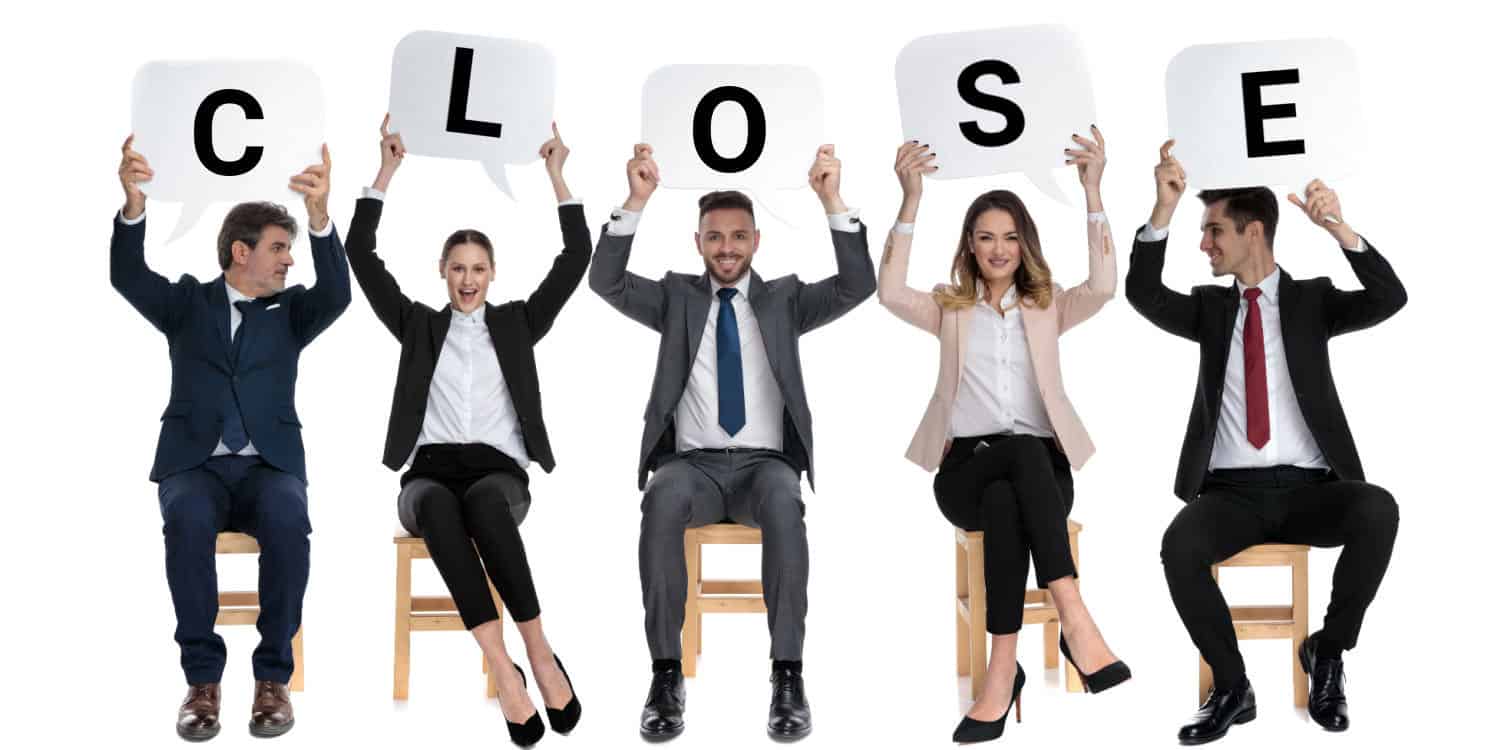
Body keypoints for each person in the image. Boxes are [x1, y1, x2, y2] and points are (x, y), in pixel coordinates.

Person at [589, 142, 875, 742]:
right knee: (660, 501)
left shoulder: (786, 299)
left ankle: (788, 677)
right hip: (689, 467)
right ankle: (665, 674)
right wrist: (636, 201)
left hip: (763, 467)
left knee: (785, 507)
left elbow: (856, 285)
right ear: (698, 243)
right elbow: (606, 282)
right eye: (715, 237)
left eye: (738, 236)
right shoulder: (676, 297)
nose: (726, 248)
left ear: (755, 242)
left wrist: (831, 200)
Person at [1125, 140, 1406, 745]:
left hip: (1310, 492)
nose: (1205, 244)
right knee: (1179, 548)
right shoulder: (1208, 309)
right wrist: (1164, 211)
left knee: (1377, 508)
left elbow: (1390, 299)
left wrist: (1338, 227)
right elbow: (1144, 295)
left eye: (1214, 230)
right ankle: (1232, 685)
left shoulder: (1312, 301)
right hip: (1231, 496)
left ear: (1255, 232)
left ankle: (1327, 651)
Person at [877, 130, 1131, 744]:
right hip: (964, 469)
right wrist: (910, 199)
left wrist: (1093, 189)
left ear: (1025, 245)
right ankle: (1074, 615)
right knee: (1006, 464)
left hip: (1043, 474)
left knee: (1009, 495)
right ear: (970, 244)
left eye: (1011, 237)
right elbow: (887, 290)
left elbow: (1103, 285)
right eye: (987, 237)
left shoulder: (1048, 305)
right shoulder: (948, 307)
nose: (999, 248)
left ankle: (1000, 672)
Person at [343, 117, 588, 747]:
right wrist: (386, 172)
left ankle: (537, 651)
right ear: (443, 273)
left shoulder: (517, 325)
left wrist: (556, 176)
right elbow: (361, 257)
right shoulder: (419, 325)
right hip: (427, 472)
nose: (468, 278)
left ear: (493, 273)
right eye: (457, 268)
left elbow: (575, 260)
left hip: (499, 475)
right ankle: (501, 668)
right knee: (437, 507)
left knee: (480, 502)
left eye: (478, 267)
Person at [110, 136, 350, 741]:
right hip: (196, 465)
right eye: (278, 249)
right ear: (239, 252)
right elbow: (127, 274)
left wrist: (321, 219)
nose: (288, 261)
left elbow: (338, 293)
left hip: (270, 467)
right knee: (186, 517)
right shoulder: (188, 304)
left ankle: (273, 681)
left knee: (291, 518)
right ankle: (202, 682)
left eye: (292, 250)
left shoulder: (294, 312)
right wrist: (134, 204)